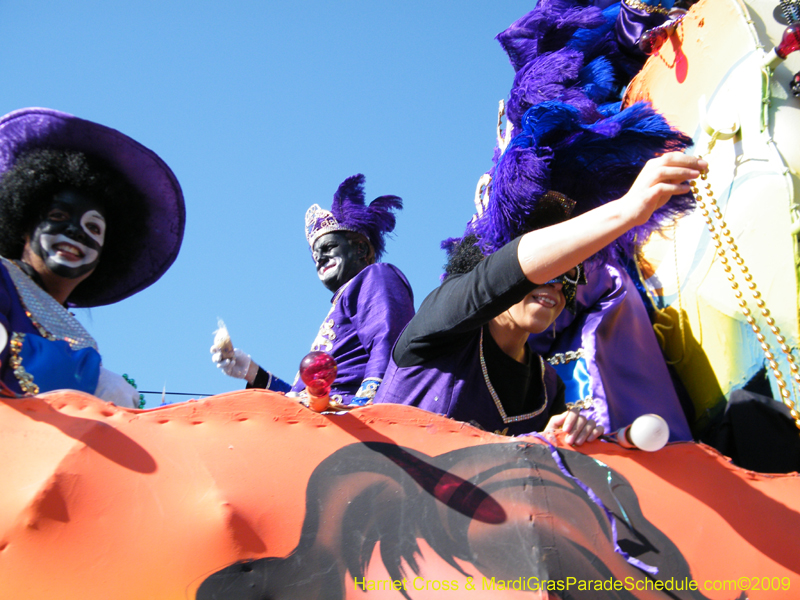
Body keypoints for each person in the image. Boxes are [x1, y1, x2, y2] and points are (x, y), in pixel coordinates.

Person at [374, 152, 706, 443]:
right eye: (547, 269)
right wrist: (627, 211)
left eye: (571, 274)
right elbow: (505, 273)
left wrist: (561, 437)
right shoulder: (441, 323)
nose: (557, 284)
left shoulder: (548, 386)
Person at [0, 108, 185, 407]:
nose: (75, 231)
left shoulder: (79, 334)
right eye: (59, 216)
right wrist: (90, 378)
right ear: (25, 225)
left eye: (93, 227)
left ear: (105, 255)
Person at [212, 174, 414, 405]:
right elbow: (309, 401)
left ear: (360, 248)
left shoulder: (376, 276)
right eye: (314, 255)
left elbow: (389, 343)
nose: (320, 258)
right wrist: (253, 373)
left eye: (328, 247)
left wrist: (366, 407)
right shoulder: (342, 302)